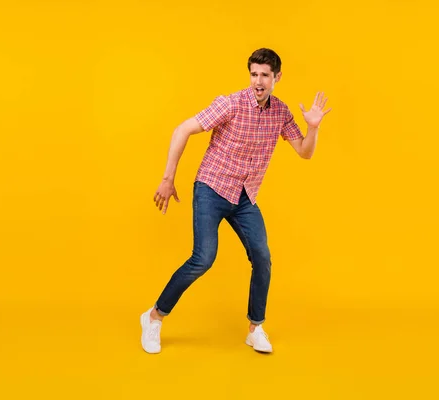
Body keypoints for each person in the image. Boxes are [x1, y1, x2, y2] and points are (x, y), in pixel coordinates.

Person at [140, 48, 331, 354]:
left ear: (276, 78)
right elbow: (183, 129)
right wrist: (167, 179)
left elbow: (305, 152)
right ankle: (154, 317)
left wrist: (313, 127)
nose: (258, 81)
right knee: (203, 258)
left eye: (265, 75)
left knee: (262, 257)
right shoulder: (230, 104)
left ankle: (255, 328)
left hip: (245, 195)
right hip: (212, 187)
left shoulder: (281, 112)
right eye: (254, 74)